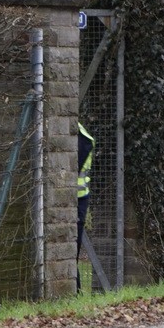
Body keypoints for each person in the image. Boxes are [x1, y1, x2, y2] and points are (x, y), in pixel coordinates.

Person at [76, 121, 95, 292]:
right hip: (78, 199)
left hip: (76, 200)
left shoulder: (79, 136)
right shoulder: (79, 132)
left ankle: (75, 293)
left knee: (71, 252)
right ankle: (75, 292)